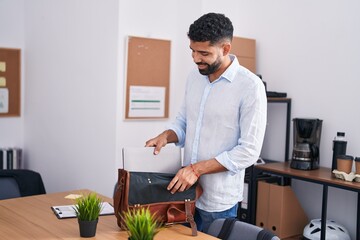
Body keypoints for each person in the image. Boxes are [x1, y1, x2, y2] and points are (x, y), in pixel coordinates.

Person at [145, 12, 267, 233]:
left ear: (226, 49)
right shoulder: (194, 77)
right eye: (192, 51)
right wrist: (166, 136)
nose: (195, 59)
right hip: (185, 194)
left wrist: (196, 170)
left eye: (204, 53)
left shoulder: (250, 87)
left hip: (218, 202)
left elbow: (249, 151)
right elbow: (183, 123)